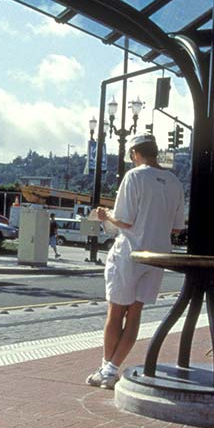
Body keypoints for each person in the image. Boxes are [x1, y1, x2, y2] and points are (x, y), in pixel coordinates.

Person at [86, 133, 185, 390]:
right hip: (157, 256)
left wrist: (104, 214)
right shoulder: (174, 182)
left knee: (115, 310)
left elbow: (125, 220)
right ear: (155, 151)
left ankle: (107, 370)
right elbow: (176, 229)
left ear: (134, 154)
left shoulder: (134, 176)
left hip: (130, 252)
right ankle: (111, 368)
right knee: (135, 312)